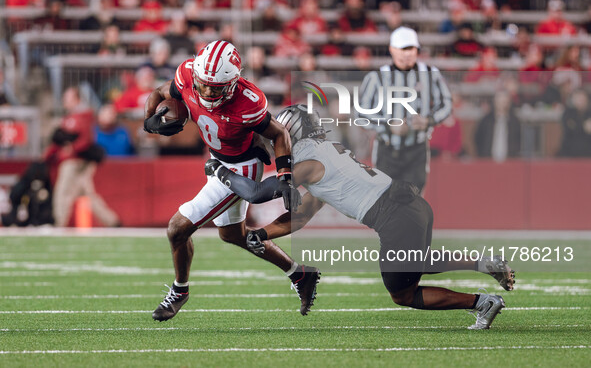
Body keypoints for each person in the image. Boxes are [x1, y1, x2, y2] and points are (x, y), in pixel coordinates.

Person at [205, 104, 515, 330]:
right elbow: (300, 216)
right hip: (410, 208)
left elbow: (258, 192)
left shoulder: (307, 159)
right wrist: (261, 234)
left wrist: (220, 171)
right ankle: (483, 269)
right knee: (413, 267)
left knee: (402, 292)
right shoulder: (325, 154)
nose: (276, 144)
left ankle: (482, 298)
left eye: (279, 137)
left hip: (394, 215)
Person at [143, 40, 319, 321]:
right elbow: (159, 91)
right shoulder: (188, 74)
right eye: (203, 85)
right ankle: (300, 274)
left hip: (242, 167)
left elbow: (279, 133)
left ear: (233, 83)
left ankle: (180, 290)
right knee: (232, 235)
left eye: (215, 87)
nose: (207, 91)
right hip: (219, 158)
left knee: (177, 227)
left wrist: (285, 175)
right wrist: (148, 120)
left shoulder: (248, 100)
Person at [358, 26, 452, 192]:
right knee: (385, 200)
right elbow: (361, 112)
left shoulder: (430, 73)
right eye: (403, 49)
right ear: (392, 50)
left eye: (411, 48)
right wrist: (388, 125)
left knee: (413, 203)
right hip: (387, 149)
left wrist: (428, 120)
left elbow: (446, 103)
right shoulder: (377, 77)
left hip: (417, 149)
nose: (407, 53)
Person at [44, 86, 120, 227]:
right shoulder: (69, 117)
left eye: (68, 98)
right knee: (88, 195)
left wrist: (71, 148)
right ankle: (112, 221)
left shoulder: (83, 116)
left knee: (62, 192)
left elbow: (85, 140)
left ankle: (58, 223)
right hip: (76, 161)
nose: (64, 101)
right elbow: (58, 140)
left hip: (76, 161)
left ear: (76, 99)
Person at [474, 90, 521, 161]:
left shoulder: (514, 122)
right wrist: (482, 154)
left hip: (509, 161)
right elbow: (478, 138)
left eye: (505, 102)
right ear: (495, 103)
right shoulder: (486, 121)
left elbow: (518, 141)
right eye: (500, 102)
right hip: (488, 161)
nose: (502, 105)